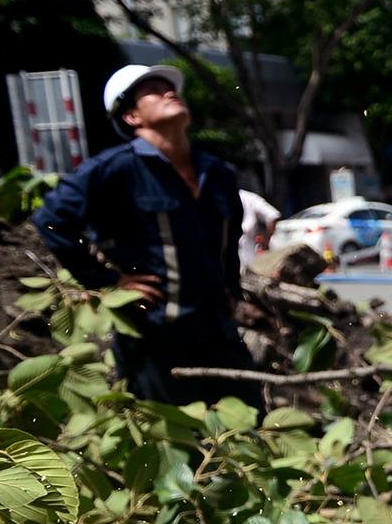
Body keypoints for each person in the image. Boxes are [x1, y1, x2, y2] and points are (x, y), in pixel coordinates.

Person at [35, 65, 261, 408]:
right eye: (153, 91)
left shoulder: (218, 173)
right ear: (131, 117)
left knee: (248, 425)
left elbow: (227, 243)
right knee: (173, 439)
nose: (170, 92)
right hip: (154, 338)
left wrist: (231, 290)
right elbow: (50, 221)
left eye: (171, 88)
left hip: (219, 331)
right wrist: (109, 281)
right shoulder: (112, 169)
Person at [237, 188, 280, 269]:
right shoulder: (248, 197)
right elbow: (272, 216)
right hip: (247, 253)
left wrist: (266, 240)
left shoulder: (215, 197)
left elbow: (273, 216)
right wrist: (266, 240)